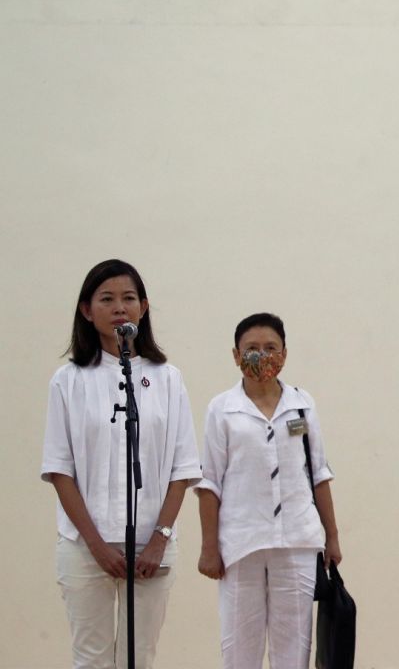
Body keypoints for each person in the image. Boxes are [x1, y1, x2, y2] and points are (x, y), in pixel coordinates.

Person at [41, 259, 202, 669]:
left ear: (143, 308)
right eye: (106, 299)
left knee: (139, 658)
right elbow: (60, 470)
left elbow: (183, 469)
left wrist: (159, 539)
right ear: (86, 310)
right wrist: (96, 546)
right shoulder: (69, 379)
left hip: (152, 547)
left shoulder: (167, 378)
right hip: (83, 546)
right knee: (91, 658)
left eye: (129, 299)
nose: (119, 308)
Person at [195, 313, 342, 669]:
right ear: (236, 355)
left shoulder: (302, 404)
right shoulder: (222, 408)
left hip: (299, 541)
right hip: (240, 544)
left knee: (294, 651)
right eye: (252, 349)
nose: (262, 356)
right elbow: (209, 483)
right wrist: (209, 547)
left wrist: (332, 537)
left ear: (285, 354)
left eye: (270, 348)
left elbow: (318, 472)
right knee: (239, 649)